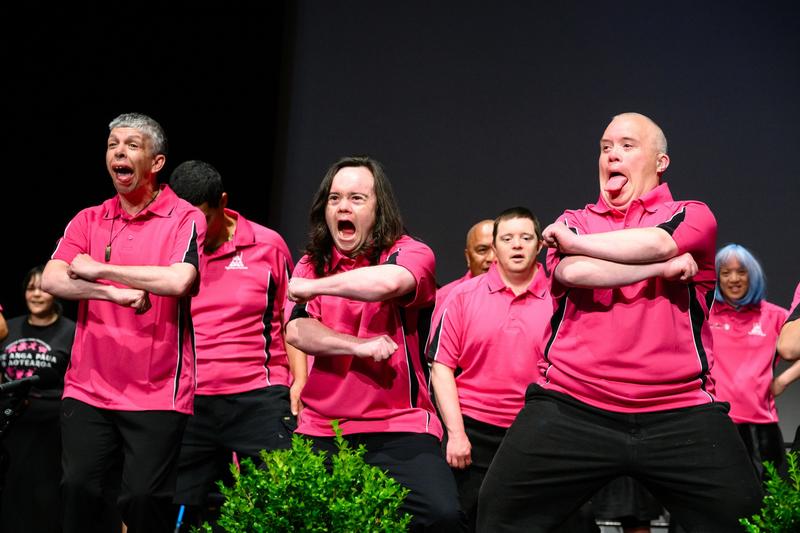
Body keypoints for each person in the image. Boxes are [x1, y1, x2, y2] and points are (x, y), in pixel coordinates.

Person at [477, 112, 762, 532]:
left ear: (660, 162)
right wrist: (660, 270)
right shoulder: (576, 221)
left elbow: (659, 240)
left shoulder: (693, 213)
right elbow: (573, 272)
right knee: (500, 511)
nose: (612, 154)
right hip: (573, 403)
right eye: (605, 147)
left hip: (678, 409)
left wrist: (592, 248)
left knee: (748, 518)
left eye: (627, 146)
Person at [41, 112, 206, 533]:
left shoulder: (184, 217)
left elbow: (179, 279)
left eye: (132, 145)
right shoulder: (89, 219)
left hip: (156, 390)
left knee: (142, 499)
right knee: (77, 489)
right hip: (89, 386)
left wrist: (99, 270)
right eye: (113, 144)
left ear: (155, 162)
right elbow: (54, 276)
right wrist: (111, 293)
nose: (119, 152)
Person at [284, 155, 464, 532]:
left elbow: (388, 283)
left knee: (441, 516)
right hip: (323, 426)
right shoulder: (311, 263)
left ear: (378, 208)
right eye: (334, 199)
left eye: (356, 198)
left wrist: (314, 287)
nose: (343, 207)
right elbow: (298, 331)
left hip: (399, 426)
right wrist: (357, 346)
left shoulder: (410, 252)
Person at [168, 160, 301, 526]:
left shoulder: (268, 245)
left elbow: (291, 318)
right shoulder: (169, 250)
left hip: (258, 395)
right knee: (156, 500)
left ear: (223, 203)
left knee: (282, 499)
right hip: (191, 398)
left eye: (201, 220)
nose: (192, 232)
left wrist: (299, 382)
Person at [427, 207, 552, 531]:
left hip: (534, 431)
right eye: (508, 239)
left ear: (539, 246)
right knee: (459, 519)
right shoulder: (461, 296)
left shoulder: (561, 297)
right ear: (494, 248)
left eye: (526, 238)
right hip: (472, 431)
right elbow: (441, 367)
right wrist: (455, 434)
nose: (517, 246)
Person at [709, 243, 798, 479]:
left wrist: (784, 380)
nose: (734, 279)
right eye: (725, 273)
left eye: (741, 272)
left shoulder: (775, 316)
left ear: (753, 275)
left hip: (761, 428)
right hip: (715, 423)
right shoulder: (706, 314)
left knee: (767, 504)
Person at [0, 266, 75, 533]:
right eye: (31, 288)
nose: (36, 294)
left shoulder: (72, 331)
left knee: (45, 494)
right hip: (11, 423)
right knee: (12, 491)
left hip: (52, 427)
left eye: (43, 288)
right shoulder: (8, 327)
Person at [435, 219, 495, 308]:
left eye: (497, 250)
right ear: (468, 258)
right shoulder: (445, 298)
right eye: (482, 250)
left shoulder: (521, 292)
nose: (491, 258)